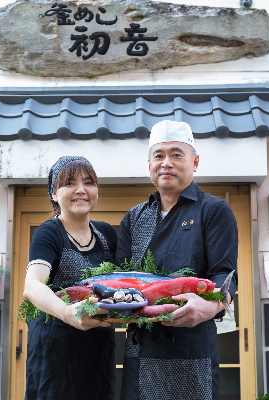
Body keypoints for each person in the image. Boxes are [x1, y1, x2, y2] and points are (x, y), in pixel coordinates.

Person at [116, 120, 238, 400]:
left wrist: (208, 308)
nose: (166, 163)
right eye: (158, 155)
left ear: (195, 162)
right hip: (140, 347)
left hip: (190, 349)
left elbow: (224, 275)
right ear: (149, 165)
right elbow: (120, 280)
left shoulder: (214, 211)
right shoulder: (134, 218)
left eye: (176, 154)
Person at [23, 156, 117, 400]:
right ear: (54, 194)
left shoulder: (106, 233)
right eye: (69, 183)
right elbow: (32, 285)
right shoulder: (49, 232)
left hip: (97, 347)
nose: (81, 190)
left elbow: (123, 283)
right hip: (56, 348)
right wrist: (67, 313)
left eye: (89, 182)